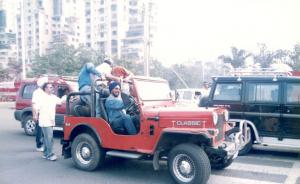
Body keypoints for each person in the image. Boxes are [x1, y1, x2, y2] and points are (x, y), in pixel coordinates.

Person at [37, 82, 66, 161]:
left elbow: (60, 101)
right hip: (44, 120)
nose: (51, 88)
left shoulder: (53, 97)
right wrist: (35, 115)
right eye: (50, 87)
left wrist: (65, 97)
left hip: (50, 120)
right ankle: (50, 154)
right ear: (45, 89)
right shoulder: (42, 97)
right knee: (49, 138)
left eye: (52, 87)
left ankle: (46, 153)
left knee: (47, 138)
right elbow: (37, 108)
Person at [32, 76, 48, 152]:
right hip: (39, 113)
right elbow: (33, 104)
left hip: (45, 113)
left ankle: (44, 144)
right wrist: (34, 115)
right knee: (39, 130)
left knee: (45, 130)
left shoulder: (45, 92)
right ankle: (38, 145)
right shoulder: (36, 93)